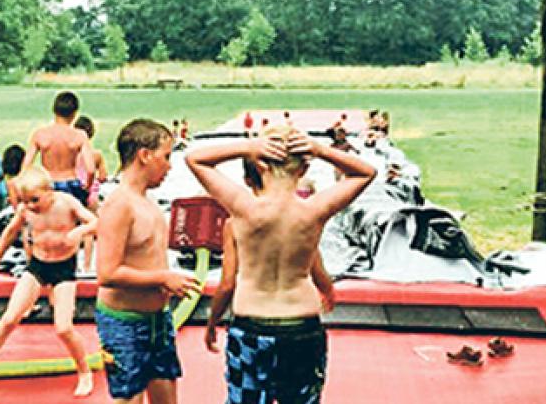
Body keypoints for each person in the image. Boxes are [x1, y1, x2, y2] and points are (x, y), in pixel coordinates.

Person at [185, 126, 375, 404]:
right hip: (302, 326)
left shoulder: (243, 207)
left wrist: (247, 147)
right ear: (304, 168)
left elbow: (195, 159)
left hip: (251, 323)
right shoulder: (314, 210)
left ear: (260, 164)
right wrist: (322, 149)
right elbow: (365, 172)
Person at [0, 167, 97, 400]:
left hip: (63, 270)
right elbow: (9, 233)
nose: (29, 206)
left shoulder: (67, 203)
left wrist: (79, 231)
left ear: (50, 191)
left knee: (63, 328)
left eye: (35, 200)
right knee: (8, 319)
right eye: (25, 201)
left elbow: (95, 223)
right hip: (37, 267)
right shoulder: (25, 210)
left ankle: (84, 371)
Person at [95, 119, 200, 403]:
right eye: (166, 157)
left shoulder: (148, 204)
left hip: (158, 321)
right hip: (125, 324)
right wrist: (163, 278)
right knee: (129, 398)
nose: (169, 166)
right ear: (144, 155)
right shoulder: (119, 205)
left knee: (166, 395)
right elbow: (107, 272)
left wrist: (165, 279)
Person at [204, 159, 334, 354]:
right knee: (299, 384)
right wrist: (328, 292)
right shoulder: (305, 218)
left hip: (252, 318)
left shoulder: (236, 224)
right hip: (301, 319)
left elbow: (227, 284)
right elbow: (317, 271)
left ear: (247, 180)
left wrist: (213, 321)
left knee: (250, 383)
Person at [22, 91, 95, 204]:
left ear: (54, 110)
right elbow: (90, 169)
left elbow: (26, 167)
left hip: (48, 183)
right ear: (74, 113)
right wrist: (87, 186)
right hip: (71, 182)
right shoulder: (80, 135)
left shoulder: (40, 134)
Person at [73, 115, 108, 272]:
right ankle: (87, 266)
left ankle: (72, 264)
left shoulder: (70, 154)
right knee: (90, 230)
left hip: (73, 191)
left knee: (72, 229)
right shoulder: (96, 155)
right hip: (91, 193)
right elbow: (103, 176)